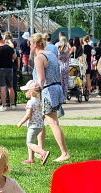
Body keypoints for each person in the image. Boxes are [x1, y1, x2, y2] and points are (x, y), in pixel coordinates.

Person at [29, 33, 70, 162]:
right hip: (56, 88)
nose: (29, 46)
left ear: (35, 44)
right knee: (39, 120)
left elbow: (41, 79)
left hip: (47, 92)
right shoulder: (51, 54)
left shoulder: (39, 58)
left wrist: (35, 92)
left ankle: (64, 153)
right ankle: (40, 150)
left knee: (53, 123)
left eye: (30, 44)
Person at [16, 80, 50, 164]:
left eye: (26, 91)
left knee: (29, 143)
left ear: (31, 92)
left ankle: (43, 153)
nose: (25, 92)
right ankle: (30, 158)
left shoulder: (30, 102)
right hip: (39, 126)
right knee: (30, 141)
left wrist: (20, 122)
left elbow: (28, 115)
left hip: (33, 126)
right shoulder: (39, 101)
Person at [0, 35, 16, 112]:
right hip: (9, 68)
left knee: (2, 87)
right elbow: (14, 57)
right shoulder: (10, 48)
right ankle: (13, 104)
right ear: (2, 39)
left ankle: (3, 105)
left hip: (1, 69)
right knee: (10, 87)